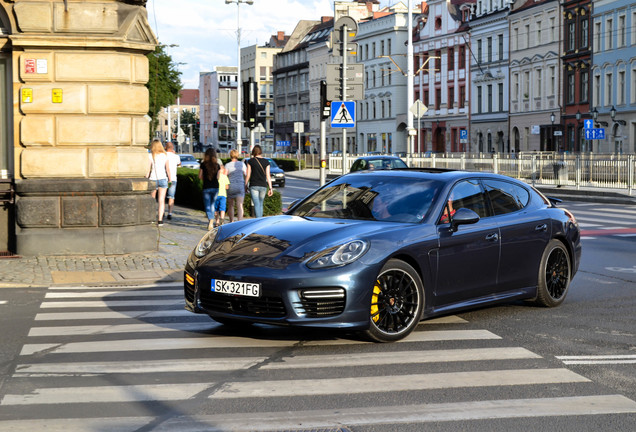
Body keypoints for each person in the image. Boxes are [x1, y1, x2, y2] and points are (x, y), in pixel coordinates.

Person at [147, 139, 171, 226]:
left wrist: (146, 178)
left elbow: (148, 169)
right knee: (161, 200)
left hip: (153, 179)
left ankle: (152, 218)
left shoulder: (150, 155)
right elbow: (167, 169)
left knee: (152, 200)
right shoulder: (165, 155)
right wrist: (170, 179)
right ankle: (160, 220)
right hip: (163, 179)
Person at [244, 145, 273, 218]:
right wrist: (270, 188)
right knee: (260, 203)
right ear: (260, 152)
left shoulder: (250, 161)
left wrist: (245, 185)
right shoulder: (266, 162)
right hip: (263, 185)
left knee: (256, 204)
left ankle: (258, 220)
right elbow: (268, 175)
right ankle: (260, 220)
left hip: (254, 185)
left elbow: (248, 175)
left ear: (254, 151)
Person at [199, 148, 221, 230]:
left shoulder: (203, 164)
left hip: (206, 187)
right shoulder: (217, 165)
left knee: (207, 205)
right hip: (215, 187)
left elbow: (200, 176)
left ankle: (211, 221)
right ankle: (211, 221)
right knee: (212, 205)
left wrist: (205, 178)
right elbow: (218, 177)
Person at [225, 149, 246, 222]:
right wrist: (246, 184)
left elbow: (225, 176)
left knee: (230, 205)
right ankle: (240, 221)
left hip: (231, 186)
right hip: (240, 186)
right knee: (240, 205)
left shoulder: (227, 165)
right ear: (237, 155)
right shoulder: (242, 164)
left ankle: (231, 221)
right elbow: (245, 174)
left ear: (230, 155)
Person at [165, 141, 181, 220]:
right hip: (173, 179)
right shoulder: (176, 156)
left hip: (164, 177)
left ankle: (161, 212)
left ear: (165, 147)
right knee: (171, 196)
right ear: (173, 148)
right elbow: (179, 164)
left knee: (162, 196)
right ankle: (170, 213)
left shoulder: (163, 155)